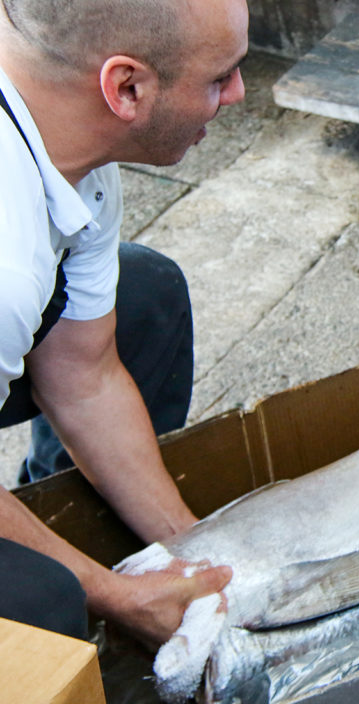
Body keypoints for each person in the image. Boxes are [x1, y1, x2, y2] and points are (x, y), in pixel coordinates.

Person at [0, 0, 247, 646]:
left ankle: (50, 514)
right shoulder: (7, 258)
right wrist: (117, 597)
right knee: (44, 604)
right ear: (126, 88)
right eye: (220, 77)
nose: (240, 94)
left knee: (144, 298)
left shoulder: (71, 154)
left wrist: (199, 555)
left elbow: (84, 376)